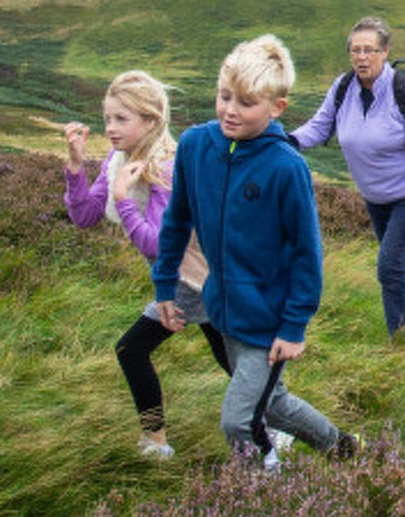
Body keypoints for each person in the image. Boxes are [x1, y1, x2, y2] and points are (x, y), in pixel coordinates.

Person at [153, 35, 360, 465]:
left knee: (239, 421)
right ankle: (346, 450)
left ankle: (260, 493)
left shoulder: (287, 168)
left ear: (276, 107)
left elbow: (307, 252)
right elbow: (176, 221)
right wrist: (165, 285)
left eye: (246, 103)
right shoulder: (194, 146)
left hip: (269, 318)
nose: (230, 110)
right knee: (273, 403)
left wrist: (294, 326)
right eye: (224, 96)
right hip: (224, 310)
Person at [63, 70, 231, 458]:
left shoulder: (167, 166)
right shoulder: (118, 158)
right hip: (192, 279)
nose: (110, 128)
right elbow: (85, 215)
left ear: (151, 121)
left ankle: (154, 441)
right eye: (107, 118)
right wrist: (75, 169)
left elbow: (159, 244)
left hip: (191, 279)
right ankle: (278, 423)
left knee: (131, 349)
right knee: (231, 357)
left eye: (122, 119)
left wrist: (123, 198)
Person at [292, 17, 405, 341]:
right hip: (374, 197)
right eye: (356, 50)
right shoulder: (343, 87)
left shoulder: (404, 91)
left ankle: (402, 341)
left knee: (390, 265)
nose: (362, 57)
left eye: (370, 50)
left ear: (385, 52)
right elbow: (320, 127)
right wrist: (285, 141)